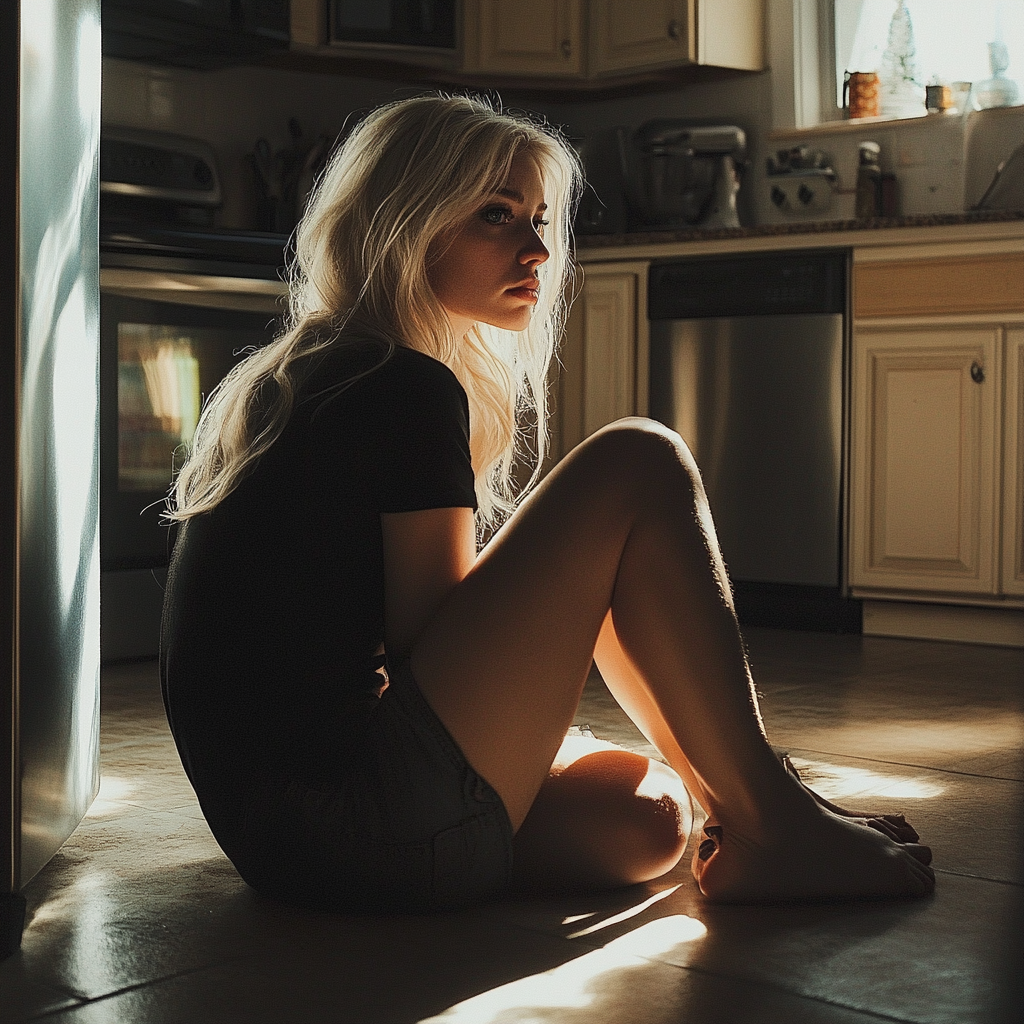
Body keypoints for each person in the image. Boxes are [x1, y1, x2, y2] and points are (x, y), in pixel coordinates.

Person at [160, 94, 934, 913]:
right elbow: (432, 650)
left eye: (540, 220)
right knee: (640, 459)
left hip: (300, 853)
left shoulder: (321, 371)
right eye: (497, 215)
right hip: (365, 817)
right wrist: (562, 617)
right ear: (405, 222)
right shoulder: (393, 383)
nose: (537, 248)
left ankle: (748, 814)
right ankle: (776, 820)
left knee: (651, 818)